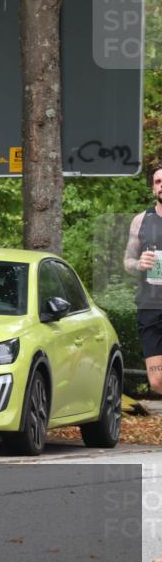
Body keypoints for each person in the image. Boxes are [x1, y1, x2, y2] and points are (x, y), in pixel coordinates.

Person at [124, 164, 162, 393]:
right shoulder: (141, 221)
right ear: (153, 188)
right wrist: (139, 264)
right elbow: (127, 261)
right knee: (157, 381)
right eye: (158, 182)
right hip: (151, 305)